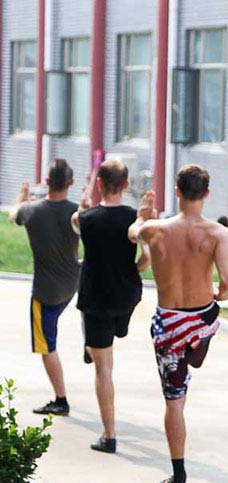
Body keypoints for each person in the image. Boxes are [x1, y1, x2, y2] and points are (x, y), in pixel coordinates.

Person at [128, 165, 228, 483]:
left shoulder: (154, 230)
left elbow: (133, 233)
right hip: (203, 318)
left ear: (176, 192)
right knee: (207, 320)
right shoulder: (218, 234)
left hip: (170, 323)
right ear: (206, 194)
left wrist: (142, 217)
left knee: (173, 402)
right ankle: (197, 349)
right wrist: (219, 295)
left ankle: (178, 477)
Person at [70, 160, 150, 453]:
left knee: (104, 367)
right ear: (127, 186)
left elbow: (77, 221)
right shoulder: (134, 220)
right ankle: (100, 340)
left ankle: (109, 435)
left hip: (96, 299)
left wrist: (85, 198)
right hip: (125, 298)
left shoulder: (85, 219)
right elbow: (144, 262)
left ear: (100, 184)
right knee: (109, 338)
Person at [9, 160, 80, 416]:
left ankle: (61, 400)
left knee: (46, 346)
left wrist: (21, 198)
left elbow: (13, 215)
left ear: (47, 181)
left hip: (45, 292)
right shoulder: (77, 213)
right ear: (71, 183)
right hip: (72, 286)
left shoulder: (31, 210)